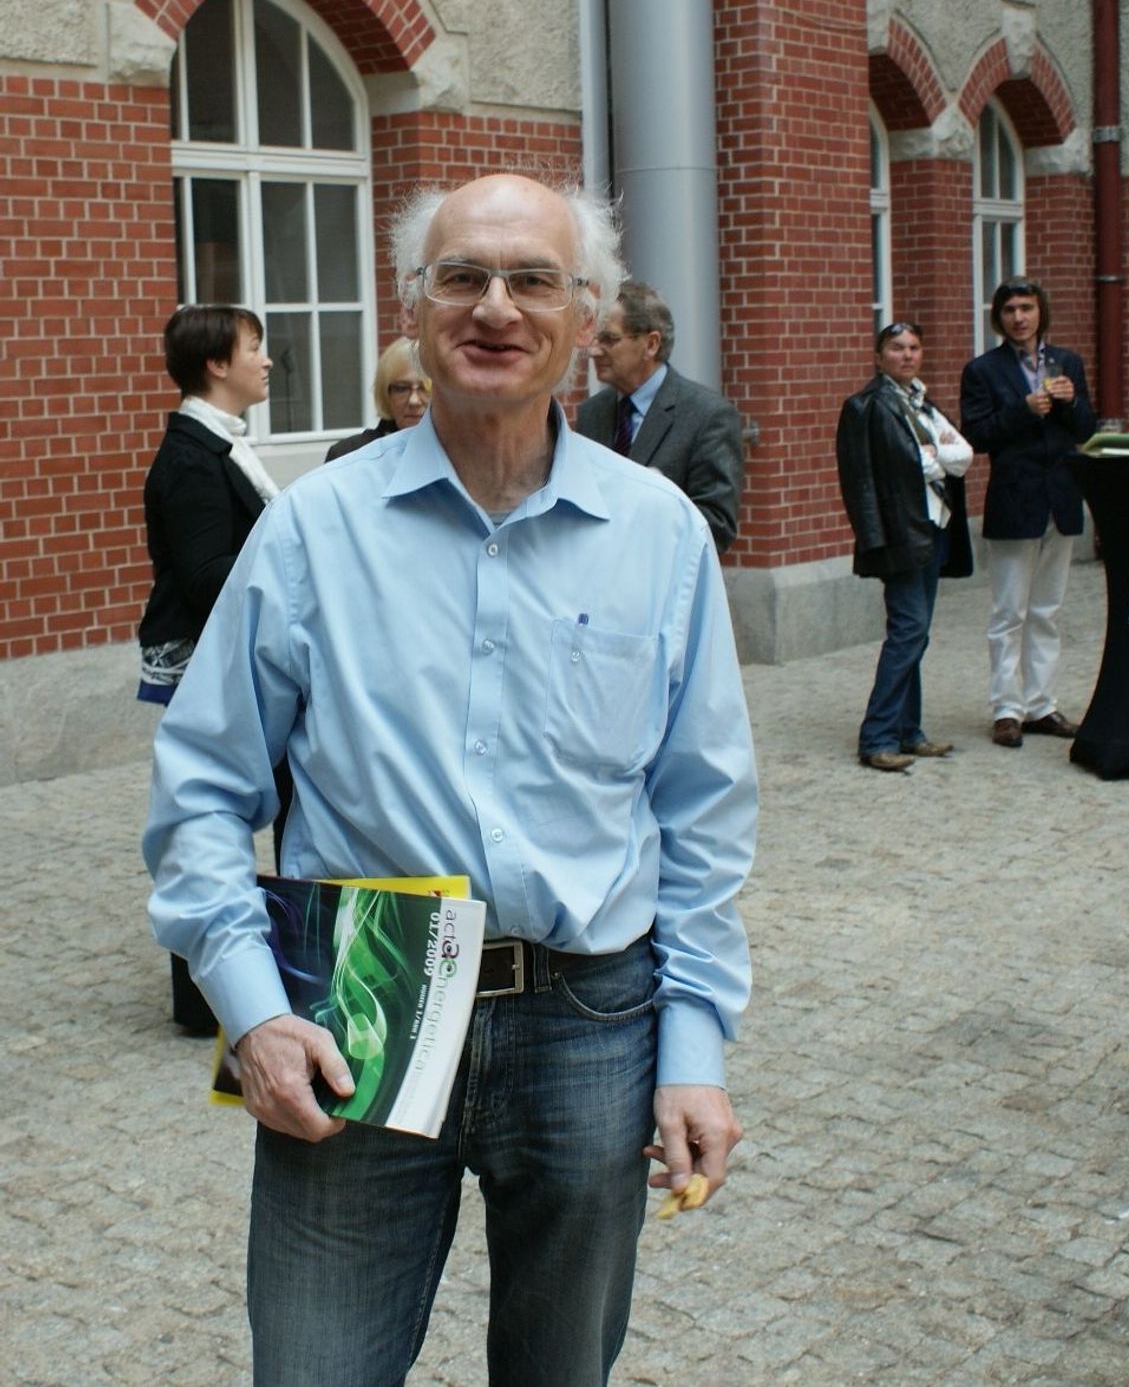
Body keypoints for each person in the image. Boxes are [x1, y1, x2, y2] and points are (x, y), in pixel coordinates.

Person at [145, 172, 756, 1387]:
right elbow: (204, 785)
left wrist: (694, 1047)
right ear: (416, 307)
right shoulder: (316, 528)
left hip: (589, 1017)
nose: (496, 307)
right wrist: (252, 1008)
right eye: (462, 277)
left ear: (587, 318)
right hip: (360, 994)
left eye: (533, 280)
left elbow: (700, 815)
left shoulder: (660, 534)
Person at [137, 304, 279, 1033]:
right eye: (254, 347)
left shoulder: (216, 442)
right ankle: (204, 996)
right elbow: (203, 574)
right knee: (204, 815)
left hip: (223, 654)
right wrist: (291, 573)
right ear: (217, 364)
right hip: (205, 659)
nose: (267, 359)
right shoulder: (193, 456)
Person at [960, 276, 1095, 749]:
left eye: (1027, 308)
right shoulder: (983, 370)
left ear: (1041, 313)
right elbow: (977, 436)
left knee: (1047, 610)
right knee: (1008, 612)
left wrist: (1070, 402)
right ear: (998, 318)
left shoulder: (1066, 362)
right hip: (1014, 499)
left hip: (1061, 499)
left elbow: (1086, 428)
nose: (1019, 317)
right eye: (1010, 310)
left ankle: (1041, 705)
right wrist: (1023, 409)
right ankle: (1006, 709)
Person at [836, 321, 972, 772]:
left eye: (914, 347)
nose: (907, 355)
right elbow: (861, 480)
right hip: (899, 534)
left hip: (931, 529)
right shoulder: (866, 406)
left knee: (917, 632)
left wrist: (934, 458)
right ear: (879, 357)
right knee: (908, 630)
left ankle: (908, 731)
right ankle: (877, 737)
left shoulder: (922, 402)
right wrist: (874, 540)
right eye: (896, 348)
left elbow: (961, 457)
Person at [576, 279, 745, 553]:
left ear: (651, 344)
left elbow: (716, 526)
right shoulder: (591, 412)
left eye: (609, 339)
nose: (594, 349)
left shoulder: (709, 416)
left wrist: (649, 504)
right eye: (595, 337)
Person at [324, 336, 431, 460]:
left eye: (425, 389)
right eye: (402, 388)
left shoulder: (451, 457)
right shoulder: (349, 455)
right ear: (386, 393)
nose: (414, 401)